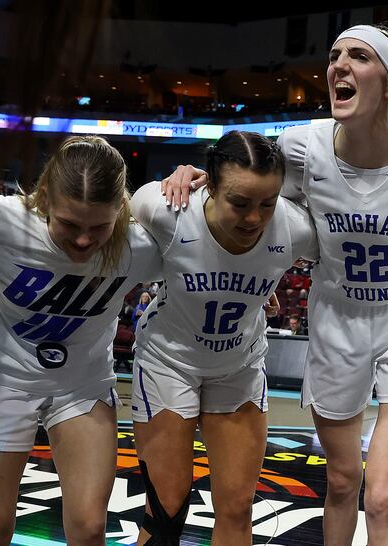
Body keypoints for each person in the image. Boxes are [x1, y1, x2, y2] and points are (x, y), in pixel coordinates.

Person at [160, 24, 388, 545]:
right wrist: (198, 176)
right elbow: (264, 212)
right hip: (336, 318)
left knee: (385, 493)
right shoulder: (300, 147)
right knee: (343, 481)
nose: (339, 65)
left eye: (359, 57)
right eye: (335, 55)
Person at [0, 136, 162, 546]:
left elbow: (208, 246)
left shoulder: (139, 246)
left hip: (82, 386)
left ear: (120, 209)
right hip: (0, 382)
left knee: (89, 529)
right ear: (44, 198)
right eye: (69, 224)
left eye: (99, 227)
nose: (84, 241)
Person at [129, 131, 318, 545]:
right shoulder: (165, 209)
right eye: (240, 203)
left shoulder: (296, 227)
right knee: (166, 509)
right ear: (209, 185)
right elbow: (107, 221)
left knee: (237, 508)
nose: (254, 218)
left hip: (239, 366)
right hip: (168, 363)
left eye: (266, 204)